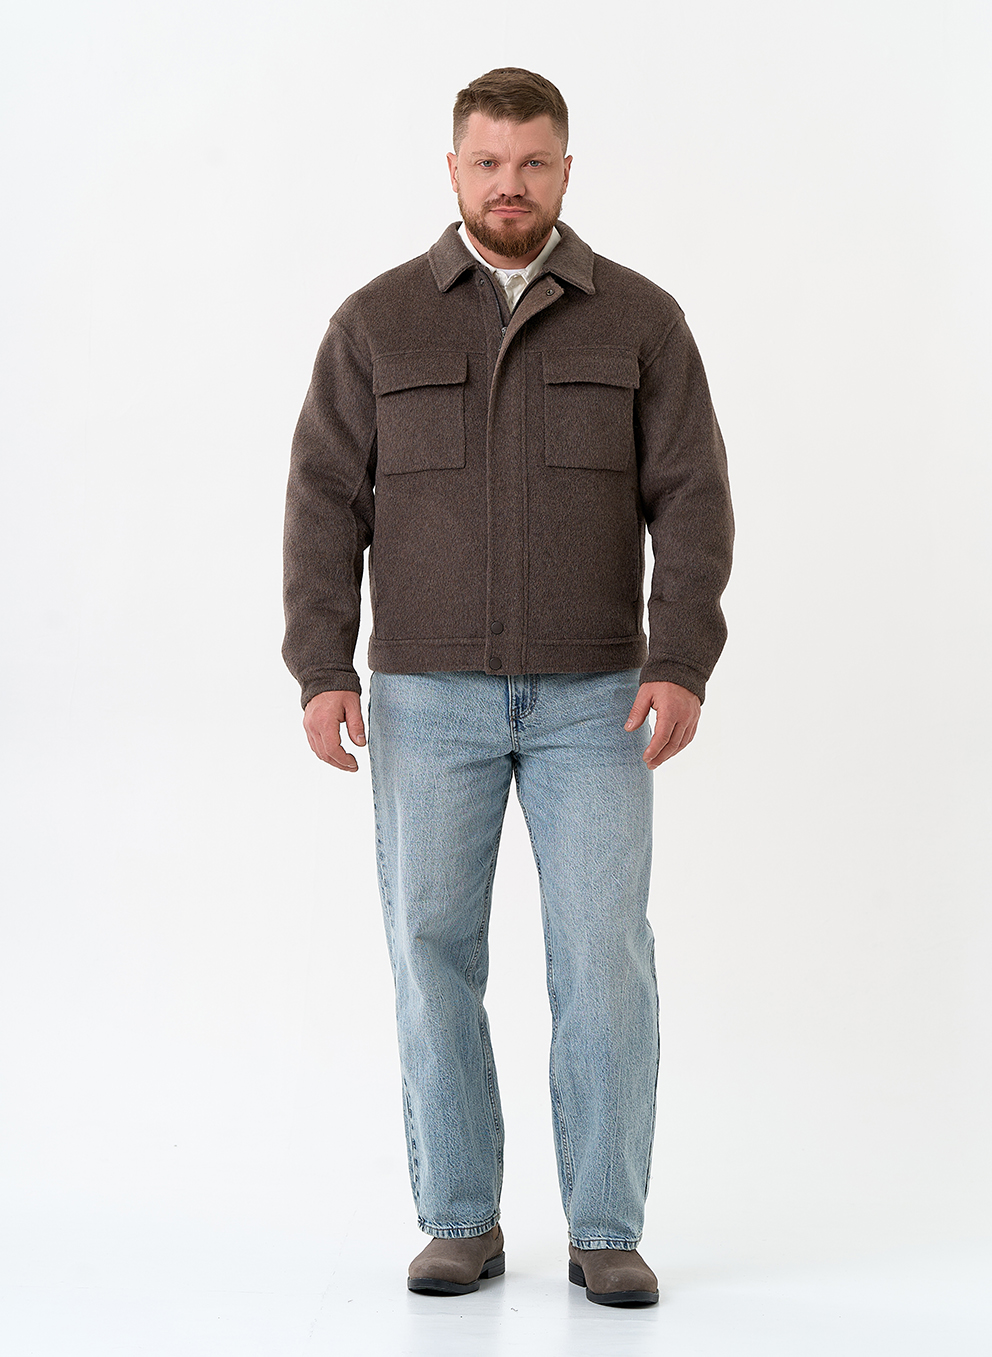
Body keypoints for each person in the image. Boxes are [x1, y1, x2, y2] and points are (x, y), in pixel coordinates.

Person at [282, 67, 733, 1308]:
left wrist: (678, 657)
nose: (509, 185)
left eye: (532, 162)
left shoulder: (639, 320)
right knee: (430, 952)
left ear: (565, 170)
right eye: (487, 163)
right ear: (453, 170)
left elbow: (692, 498)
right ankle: (459, 1220)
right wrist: (320, 664)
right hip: (424, 700)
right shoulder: (376, 322)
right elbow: (322, 498)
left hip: (598, 701)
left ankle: (605, 1227)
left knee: (604, 959)